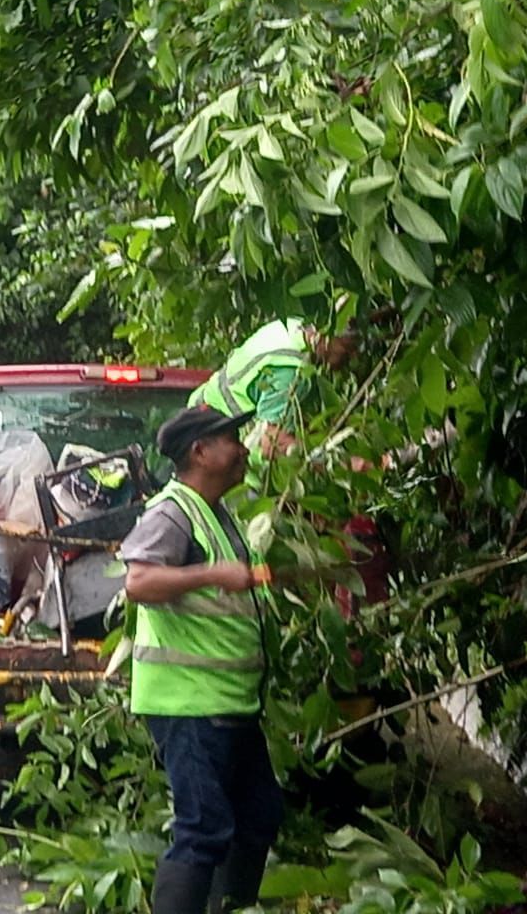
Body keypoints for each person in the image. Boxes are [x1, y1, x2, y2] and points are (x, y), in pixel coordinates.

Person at [120, 405, 282, 914]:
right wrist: (211, 574)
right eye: (231, 439)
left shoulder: (214, 512)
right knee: (204, 828)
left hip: (227, 704)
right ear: (199, 451)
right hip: (187, 705)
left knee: (259, 814)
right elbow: (139, 582)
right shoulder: (172, 512)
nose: (243, 449)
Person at [188, 317, 359, 460]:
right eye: (348, 348)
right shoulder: (292, 373)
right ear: (327, 336)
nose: (352, 357)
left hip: (200, 408)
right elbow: (273, 444)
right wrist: (342, 465)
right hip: (227, 454)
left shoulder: (291, 326)